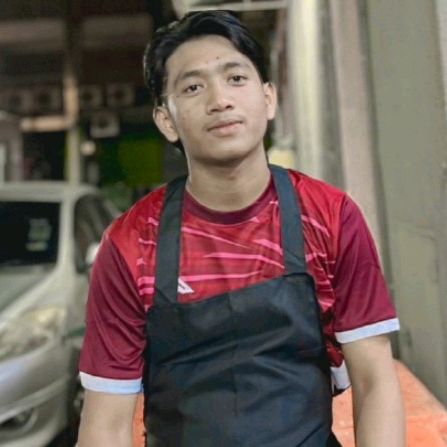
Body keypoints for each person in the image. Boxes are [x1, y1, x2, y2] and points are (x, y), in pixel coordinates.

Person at [77, 10, 405, 446]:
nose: (220, 100)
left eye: (235, 78)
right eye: (193, 87)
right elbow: (106, 424)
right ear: (166, 120)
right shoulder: (132, 244)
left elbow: (375, 381)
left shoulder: (329, 216)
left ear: (268, 98)